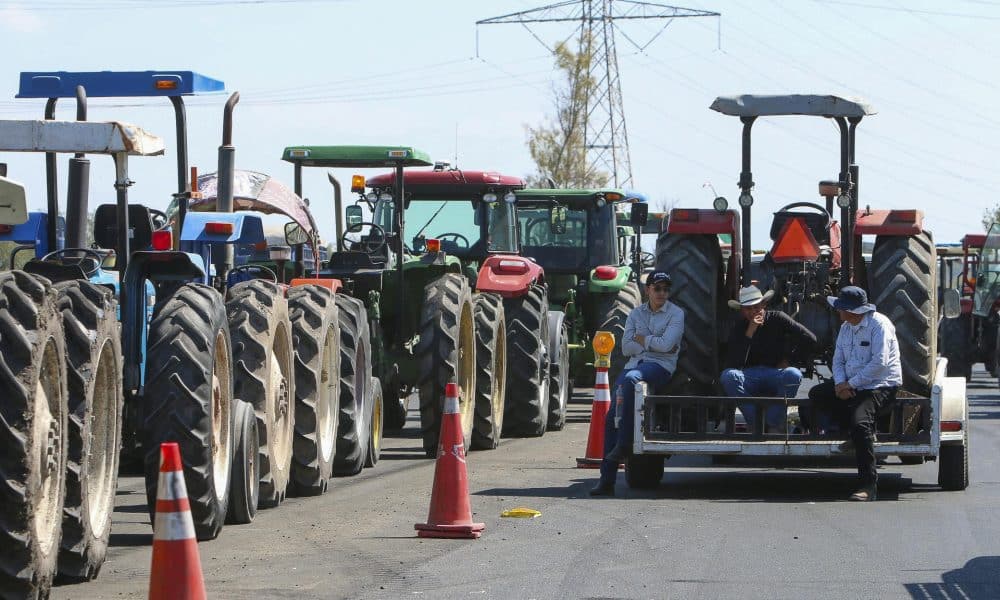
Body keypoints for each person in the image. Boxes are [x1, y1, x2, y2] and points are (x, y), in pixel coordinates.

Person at [590, 270, 684, 497]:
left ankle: (624, 444)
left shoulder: (676, 314)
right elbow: (626, 347)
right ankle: (606, 480)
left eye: (665, 289)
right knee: (611, 417)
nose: (662, 293)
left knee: (632, 379)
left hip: (661, 367)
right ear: (647, 290)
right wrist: (654, 342)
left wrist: (643, 339)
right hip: (634, 364)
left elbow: (667, 346)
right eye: (657, 288)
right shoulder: (634, 314)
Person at [808, 286, 902, 502]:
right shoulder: (846, 328)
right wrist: (840, 383)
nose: (838, 312)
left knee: (861, 424)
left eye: (841, 308)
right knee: (817, 395)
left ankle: (868, 485)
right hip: (851, 385)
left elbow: (880, 364)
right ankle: (854, 434)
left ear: (854, 311)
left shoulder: (880, 325)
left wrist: (851, 384)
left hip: (879, 386)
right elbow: (838, 359)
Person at [720, 285, 818, 433]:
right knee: (728, 376)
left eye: (756, 307)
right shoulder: (739, 326)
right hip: (749, 375)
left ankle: (772, 422)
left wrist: (789, 360)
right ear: (742, 310)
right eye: (748, 308)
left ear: (763, 305)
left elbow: (810, 338)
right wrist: (750, 331)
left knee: (793, 374)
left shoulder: (778, 317)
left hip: (774, 373)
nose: (753, 312)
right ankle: (757, 423)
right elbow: (734, 362)